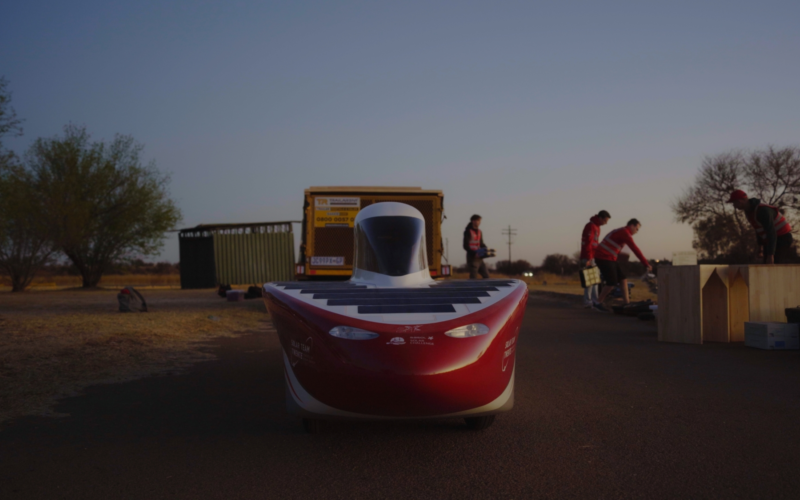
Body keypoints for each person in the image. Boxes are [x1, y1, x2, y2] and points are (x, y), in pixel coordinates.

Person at [592, 218, 652, 311]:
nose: (637, 231)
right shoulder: (625, 233)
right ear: (632, 225)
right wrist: (646, 263)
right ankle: (597, 302)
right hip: (604, 257)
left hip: (609, 258)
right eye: (637, 229)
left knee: (623, 279)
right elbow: (635, 249)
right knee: (611, 282)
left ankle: (626, 304)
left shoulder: (621, 231)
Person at [728, 190, 794, 264]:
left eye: (734, 203)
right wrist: (760, 248)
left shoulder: (762, 211)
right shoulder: (749, 212)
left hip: (782, 238)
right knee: (766, 266)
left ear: (740, 201)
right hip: (771, 240)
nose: (734, 206)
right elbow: (758, 229)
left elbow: (771, 233)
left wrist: (770, 255)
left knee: (774, 265)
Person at [580, 210, 611, 308]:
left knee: (595, 280)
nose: (606, 223)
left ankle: (594, 301)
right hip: (589, 257)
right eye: (605, 220)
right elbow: (588, 243)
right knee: (590, 280)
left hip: (594, 256)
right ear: (600, 218)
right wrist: (589, 258)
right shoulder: (591, 226)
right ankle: (588, 301)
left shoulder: (596, 226)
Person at [463, 214, 489, 279]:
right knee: (473, 278)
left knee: (486, 276)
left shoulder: (480, 232)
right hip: (472, 258)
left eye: (480, 221)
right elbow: (465, 245)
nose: (479, 222)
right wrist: (473, 253)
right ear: (473, 221)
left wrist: (486, 249)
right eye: (478, 220)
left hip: (480, 257)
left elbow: (481, 244)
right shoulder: (468, 231)